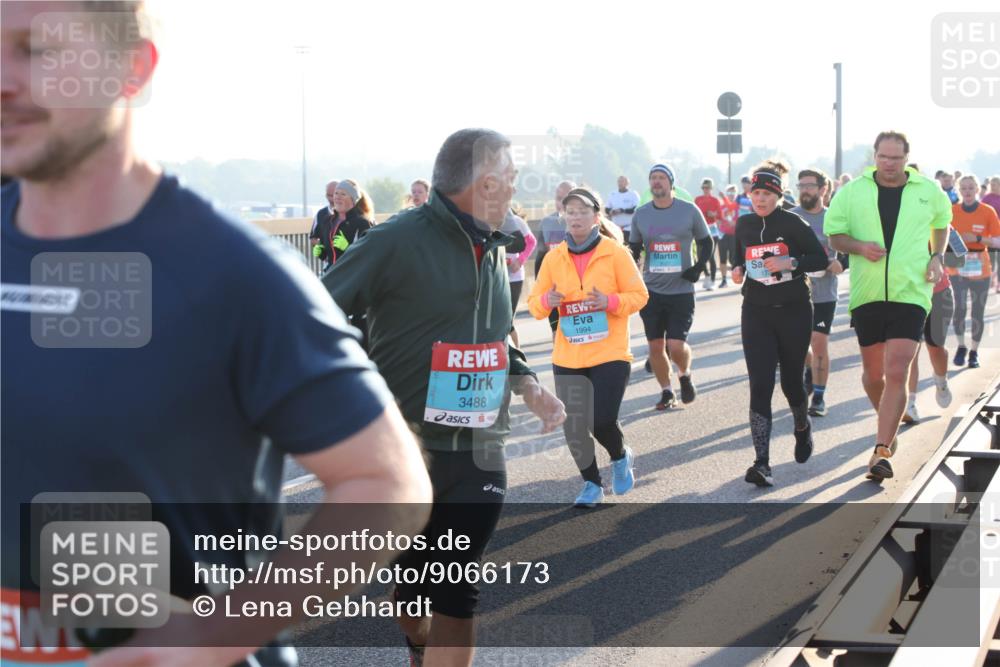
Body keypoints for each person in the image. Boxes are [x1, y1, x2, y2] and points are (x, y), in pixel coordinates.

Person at [1, 4, 432, 667]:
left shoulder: (231, 274)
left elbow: (388, 484)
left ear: (131, 68)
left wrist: (213, 634)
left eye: (39, 49)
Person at [324, 128, 566, 667]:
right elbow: (313, 311)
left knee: (458, 588)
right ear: (484, 183)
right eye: (510, 177)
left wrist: (529, 385)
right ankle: (418, 643)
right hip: (406, 455)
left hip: (479, 451)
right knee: (412, 595)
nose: (516, 187)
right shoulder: (395, 240)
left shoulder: (496, 244)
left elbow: (497, 336)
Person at [825, 131, 951, 480]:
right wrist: (859, 247)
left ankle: (881, 450)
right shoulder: (852, 192)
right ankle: (889, 423)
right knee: (873, 375)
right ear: (875, 156)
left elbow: (942, 223)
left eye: (896, 158)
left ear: (906, 158)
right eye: (883, 157)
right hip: (867, 294)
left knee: (897, 369)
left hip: (912, 292)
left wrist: (937, 256)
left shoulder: (928, 190)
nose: (889, 163)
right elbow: (835, 235)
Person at [528, 187, 648, 507]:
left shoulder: (615, 253)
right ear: (564, 217)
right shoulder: (553, 258)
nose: (576, 217)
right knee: (573, 424)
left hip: (610, 352)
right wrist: (546, 300)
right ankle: (592, 484)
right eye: (570, 212)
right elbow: (534, 305)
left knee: (601, 419)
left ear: (596, 217)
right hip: (568, 354)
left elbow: (639, 295)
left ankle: (620, 456)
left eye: (583, 212)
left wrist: (609, 302)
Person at [731, 168, 828, 486]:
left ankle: (802, 427)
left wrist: (792, 262)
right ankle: (762, 463)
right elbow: (738, 258)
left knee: (791, 383)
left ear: (778, 196)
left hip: (793, 311)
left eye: (767, 194)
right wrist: (736, 269)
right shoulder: (744, 224)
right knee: (760, 385)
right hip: (755, 312)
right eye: (756, 193)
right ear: (750, 195)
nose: (761, 199)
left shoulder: (793, 223)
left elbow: (820, 259)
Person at [630, 164, 713, 409]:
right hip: (652, 290)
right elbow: (633, 248)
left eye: (661, 177)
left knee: (675, 345)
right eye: (653, 177)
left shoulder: (689, 210)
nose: (656, 181)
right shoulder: (641, 214)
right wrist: (632, 272)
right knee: (655, 346)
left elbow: (706, 242)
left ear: (671, 183)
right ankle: (666, 391)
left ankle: (684, 374)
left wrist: (698, 268)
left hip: (681, 289)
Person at [792, 169, 843, 418]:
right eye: (801, 186)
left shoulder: (834, 218)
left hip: (824, 293)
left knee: (818, 341)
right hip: (796, 292)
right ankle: (809, 370)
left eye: (809, 186)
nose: (804, 190)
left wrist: (841, 263)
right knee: (801, 343)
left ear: (823, 189)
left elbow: (848, 248)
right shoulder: (791, 217)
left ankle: (819, 397)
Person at [949, 175, 1000, 369]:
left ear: (977, 189)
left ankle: (974, 352)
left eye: (971, 187)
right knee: (960, 309)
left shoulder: (987, 211)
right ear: (959, 190)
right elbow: (943, 235)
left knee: (977, 311)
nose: (967, 191)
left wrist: (977, 238)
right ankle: (961, 346)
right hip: (957, 265)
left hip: (981, 266)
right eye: (964, 188)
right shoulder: (952, 211)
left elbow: (997, 241)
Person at [536, 180, 576, 334]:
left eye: (567, 198)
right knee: (557, 333)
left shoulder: (587, 222)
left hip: (579, 292)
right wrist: (540, 287)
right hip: (555, 291)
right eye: (559, 198)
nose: (562, 203)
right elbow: (541, 256)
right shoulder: (546, 223)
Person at [500, 206, 537, 346]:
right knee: (499, 319)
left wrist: (519, 261)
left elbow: (531, 242)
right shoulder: (488, 222)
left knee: (508, 321)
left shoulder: (516, 221)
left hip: (514, 276)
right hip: (497, 275)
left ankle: (517, 353)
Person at [694, 177, 723, 291]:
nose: (706, 189)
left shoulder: (715, 200)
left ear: (711, 188)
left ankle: (712, 280)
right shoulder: (697, 199)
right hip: (700, 229)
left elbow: (720, 216)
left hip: (712, 230)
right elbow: (694, 214)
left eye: (708, 188)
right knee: (700, 255)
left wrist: (713, 214)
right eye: (704, 188)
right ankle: (706, 275)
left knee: (710, 255)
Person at [309, 179, 338, 266]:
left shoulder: (350, 214)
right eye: (328, 195)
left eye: (333, 195)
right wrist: (320, 248)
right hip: (328, 264)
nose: (331, 199)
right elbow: (313, 237)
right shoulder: (321, 214)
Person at [605, 175, 641, 244]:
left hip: (629, 228)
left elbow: (637, 209)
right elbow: (606, 208)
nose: (620, 183)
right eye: (619, 181)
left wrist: (623, 211)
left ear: (627, 183)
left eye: (622, 181)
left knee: (629, 248)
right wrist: (610, 211)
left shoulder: (633, 194)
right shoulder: (612, 194)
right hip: (615, 228)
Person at [717, 184, 740, 287]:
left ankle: (737, 277)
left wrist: (735, 223)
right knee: (722, 259)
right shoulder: (722, 206)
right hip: (723, 235)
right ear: (727, 193)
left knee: (732, 259)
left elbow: (740, 219)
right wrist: (719, 224)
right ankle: (724, 280)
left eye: (733, 192)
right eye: (729, 192)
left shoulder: (737, 206)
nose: (731, 194)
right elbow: (717, 218)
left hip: (734, 235)